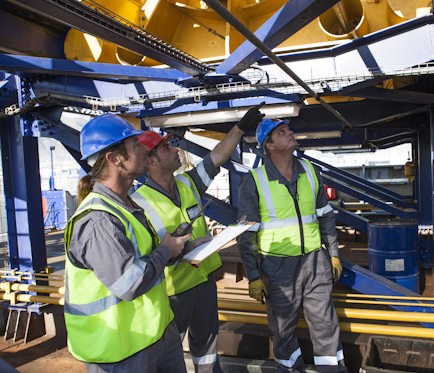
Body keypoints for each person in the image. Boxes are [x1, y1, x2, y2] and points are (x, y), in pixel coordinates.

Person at [130, 104, 264, 373]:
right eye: (167, 148)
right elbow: (141, 257)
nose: (176, 150)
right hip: (172, 294)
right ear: (152, 161)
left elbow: (217, 156)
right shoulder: (138, 204)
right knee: (165, 354)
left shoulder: (188, 183)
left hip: (203, 284)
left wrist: (239, 127)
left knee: (207, 353)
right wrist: (181, 248)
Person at [64, 114, 191, 373]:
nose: (145, 149)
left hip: (157, 334)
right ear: (114, 159)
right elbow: (128, 283)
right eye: (136, 145)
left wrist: (176, 249)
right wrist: (166, 249)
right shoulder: (98, 220)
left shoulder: (129, 205)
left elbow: (148, 257)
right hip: (121, 352)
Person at [236, 118, 346, 373]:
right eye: (282, 132)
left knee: (325, 324)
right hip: (277, 267)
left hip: (315, 261)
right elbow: (246, 234)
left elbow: (326, 215)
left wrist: (333, 255)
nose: (290, 133)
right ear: (269, 146)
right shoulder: (255, 181)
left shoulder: (309, 170)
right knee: (283, 331)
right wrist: (253, 275)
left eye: (288, 129)